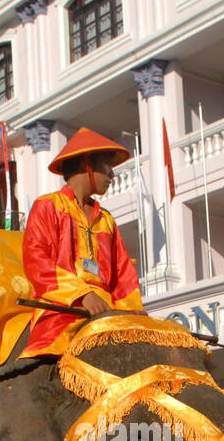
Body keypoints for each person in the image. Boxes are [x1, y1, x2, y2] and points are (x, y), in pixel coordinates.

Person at [21, 127, 144, 357]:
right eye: (108, 167)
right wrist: (82, 295)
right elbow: (36, 263)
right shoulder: (47, 206)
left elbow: (123, 275)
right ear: (86, 164)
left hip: (108, 312)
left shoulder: (106, 219)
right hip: (61, 308)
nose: (112, 176)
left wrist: (133, 311)